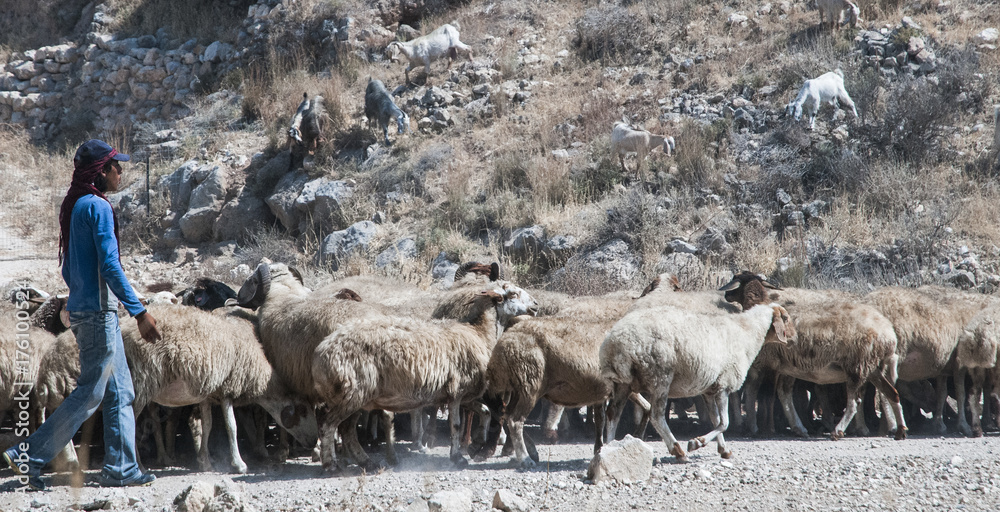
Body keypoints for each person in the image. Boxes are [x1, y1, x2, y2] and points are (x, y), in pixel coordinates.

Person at [3, 139, 162, 490]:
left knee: (121, 390)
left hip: (84, 309)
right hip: (99, 313)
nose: (121, 171)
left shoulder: (76, 206)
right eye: (116, 166)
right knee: (91, 391)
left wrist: (79, 297)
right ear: (102, 170)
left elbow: (68, 268)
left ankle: (121, 467)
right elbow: (110, 264)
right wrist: (139, 311)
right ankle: (28, 455)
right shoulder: (98, 208)